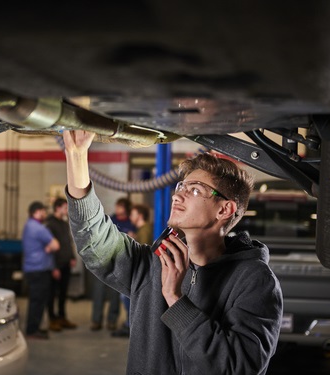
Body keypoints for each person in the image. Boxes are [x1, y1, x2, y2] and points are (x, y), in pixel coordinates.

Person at [62, 130, 283, 374]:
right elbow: (95, 237)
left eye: (195, 190)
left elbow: (238, 366)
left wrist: (175, 300)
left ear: (225, 210)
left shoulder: (254, 280)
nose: (178, 195)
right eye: (181, 186)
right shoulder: (154, 264)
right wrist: (77, 156)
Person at [89, 197, 135, 331]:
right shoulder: (109, 220)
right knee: (99, 292)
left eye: (120, 206)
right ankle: (96, 321)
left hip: (120, 263)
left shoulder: (130, 223)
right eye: (116, 206)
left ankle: (112, 321)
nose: (117, 209)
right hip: (103, 262)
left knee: (115, 294)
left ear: (126, 208)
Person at [112, 203, 154, 338]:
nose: (130, 216)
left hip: (140, 272)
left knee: (126, 297)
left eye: (133, 214)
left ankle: (132, 326)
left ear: (140, 216)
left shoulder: (145, 231)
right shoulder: (141, 230)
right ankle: (130, 324)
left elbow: (142, 252)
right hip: (140, 272)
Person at [22, 201, 59, 339]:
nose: (45, 214)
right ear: (36, 212)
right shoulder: (38, 228)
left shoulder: (28, 226)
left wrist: (48, 248)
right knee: (38, 301)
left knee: (36, 300)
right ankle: (32, 330)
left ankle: (35, 327)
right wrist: (49, 248)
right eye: (43, 211)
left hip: (33, 269)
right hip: (39, 270)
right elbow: (56, 245)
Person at [45, 197, 78, 332]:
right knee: (52, 293)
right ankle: (52, 320)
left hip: (66, 264)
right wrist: (54, 267)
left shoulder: (64, 223)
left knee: (63, 293)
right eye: (65, 207)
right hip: (56, 265)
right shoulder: (50, 224)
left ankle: (62, 317)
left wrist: (72, 257)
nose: (67, 210)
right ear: (57, 208)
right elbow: (50, 248)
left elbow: (68, 242)